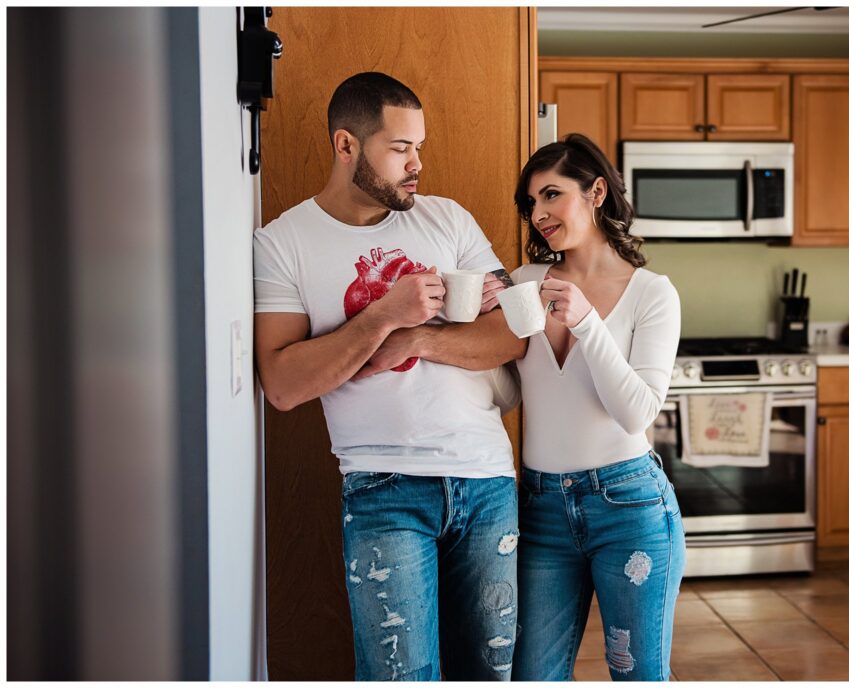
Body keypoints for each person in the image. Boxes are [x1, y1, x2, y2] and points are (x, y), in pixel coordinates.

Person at [253, 72, 524, 681]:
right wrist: (381, 316)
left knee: (490, 676)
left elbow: (513, 334)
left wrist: (417, 338)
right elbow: (283, 383)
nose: (416, 164)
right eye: (400, 148)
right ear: (346, 146)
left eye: (419, 148)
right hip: (384, 490)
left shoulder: (447, 219)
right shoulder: (282, 245)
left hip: (485, 481)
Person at [509, 133, 684, 681]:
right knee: (532, 676)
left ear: (597, 192)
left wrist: (586, 323)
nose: (538, 213)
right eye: (531, 202)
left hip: (629, 507)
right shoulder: (523, 284)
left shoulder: (652, 293)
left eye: (552, 195)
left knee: (635, 673)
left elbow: (637, 413)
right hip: (541, 510)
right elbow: (505, 393)